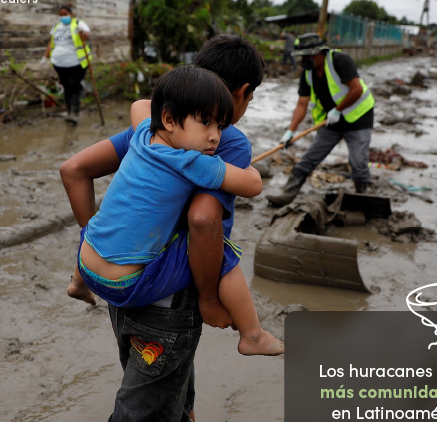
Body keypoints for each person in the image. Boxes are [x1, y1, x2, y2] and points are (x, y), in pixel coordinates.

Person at [58, 35, 268, 422]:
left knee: (168, 384)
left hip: (120, 282)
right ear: (243, 93)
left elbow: (76, 166)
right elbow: (202, 219)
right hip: (167, 300)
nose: (214, 132)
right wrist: (211, 297)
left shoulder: (154, 128)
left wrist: (93, 239)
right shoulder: (226, 142)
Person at [71, 65, 282, 356]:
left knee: (106, 222)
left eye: (220, 126)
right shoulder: (190, 162)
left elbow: (139, 106)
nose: (214, 138)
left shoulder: (143, 133)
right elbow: (254, 184)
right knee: (220, 249)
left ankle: (77, 282)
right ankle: (253, 335)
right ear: (169, 119)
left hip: (86, 260)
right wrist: (238, 164)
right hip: (124, 286)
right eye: (205, 122)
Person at [266, 33, 376, 206]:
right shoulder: (308, 73)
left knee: (358, 161)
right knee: (310, 158)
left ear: (318, 52)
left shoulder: (340, 61)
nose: (304, 60)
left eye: (307, 56)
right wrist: (290, 131)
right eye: (302, 56)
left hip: (358, 119)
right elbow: (302, 103)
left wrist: (338, 110)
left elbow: (356, 89)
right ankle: (287, 195)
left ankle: (363, 199)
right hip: (331, 123)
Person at [43, 4, 91, 124]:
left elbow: (86, 37)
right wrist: (45, 57)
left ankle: (74, 114)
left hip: (77, 63)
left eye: (65, 14)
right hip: (59, 64)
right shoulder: (56, 27)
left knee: (72, 85)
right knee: (66, 87)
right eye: (61, 15)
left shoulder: (78, 24)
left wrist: (82, 32)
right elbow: (50, 43)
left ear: (71, 14)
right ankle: (69, 112)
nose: (63, 17)